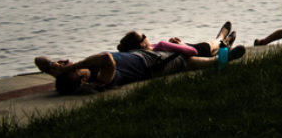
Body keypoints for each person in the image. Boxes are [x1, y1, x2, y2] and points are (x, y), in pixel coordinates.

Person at [35, 40, 246, 95]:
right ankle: (221, 60)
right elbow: (107, 58)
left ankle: (220, 49)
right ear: (80, 79)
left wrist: (56, 68)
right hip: (154, 65)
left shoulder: (78, 71)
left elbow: (39, 60)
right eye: (70, 69)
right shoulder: (102, 79)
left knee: (190, 51)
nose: (66, 63)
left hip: (149, 55)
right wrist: (71, 67)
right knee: (186, 61)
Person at [116, 21, 237, 57]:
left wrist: (173, 44)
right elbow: (192, 51)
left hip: (189, 51)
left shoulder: (147, 53)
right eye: (143, 36)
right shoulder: (161, 45)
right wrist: (181, 44)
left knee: (215, 49)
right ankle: (222, 38)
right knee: (214, 43)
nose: (146, 36)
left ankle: (226, 44)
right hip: (197, 51)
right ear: (141, 44)